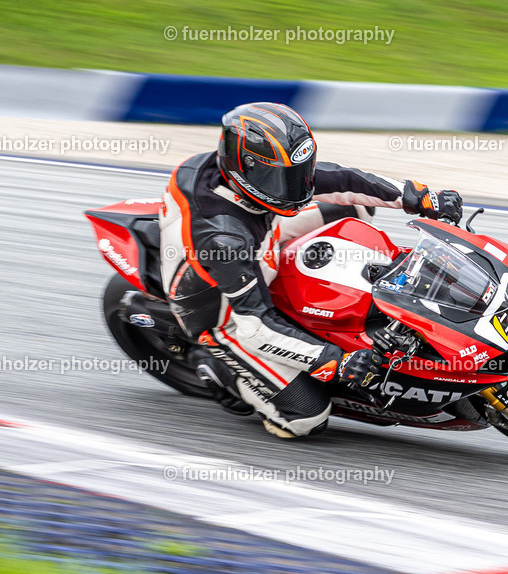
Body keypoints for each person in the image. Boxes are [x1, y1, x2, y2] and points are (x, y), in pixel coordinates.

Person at [158, 102, 463, 438]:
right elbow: (254, 325)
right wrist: (335, 360)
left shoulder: (254, 175)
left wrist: (419, 197)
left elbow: (341, 178)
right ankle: (216, 365)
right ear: (245, 168)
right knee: (305, 418)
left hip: (263, 238)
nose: (298, 186)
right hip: (222, 310)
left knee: (353, 204)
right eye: (281, 178)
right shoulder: (224, 238)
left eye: (299, 172)